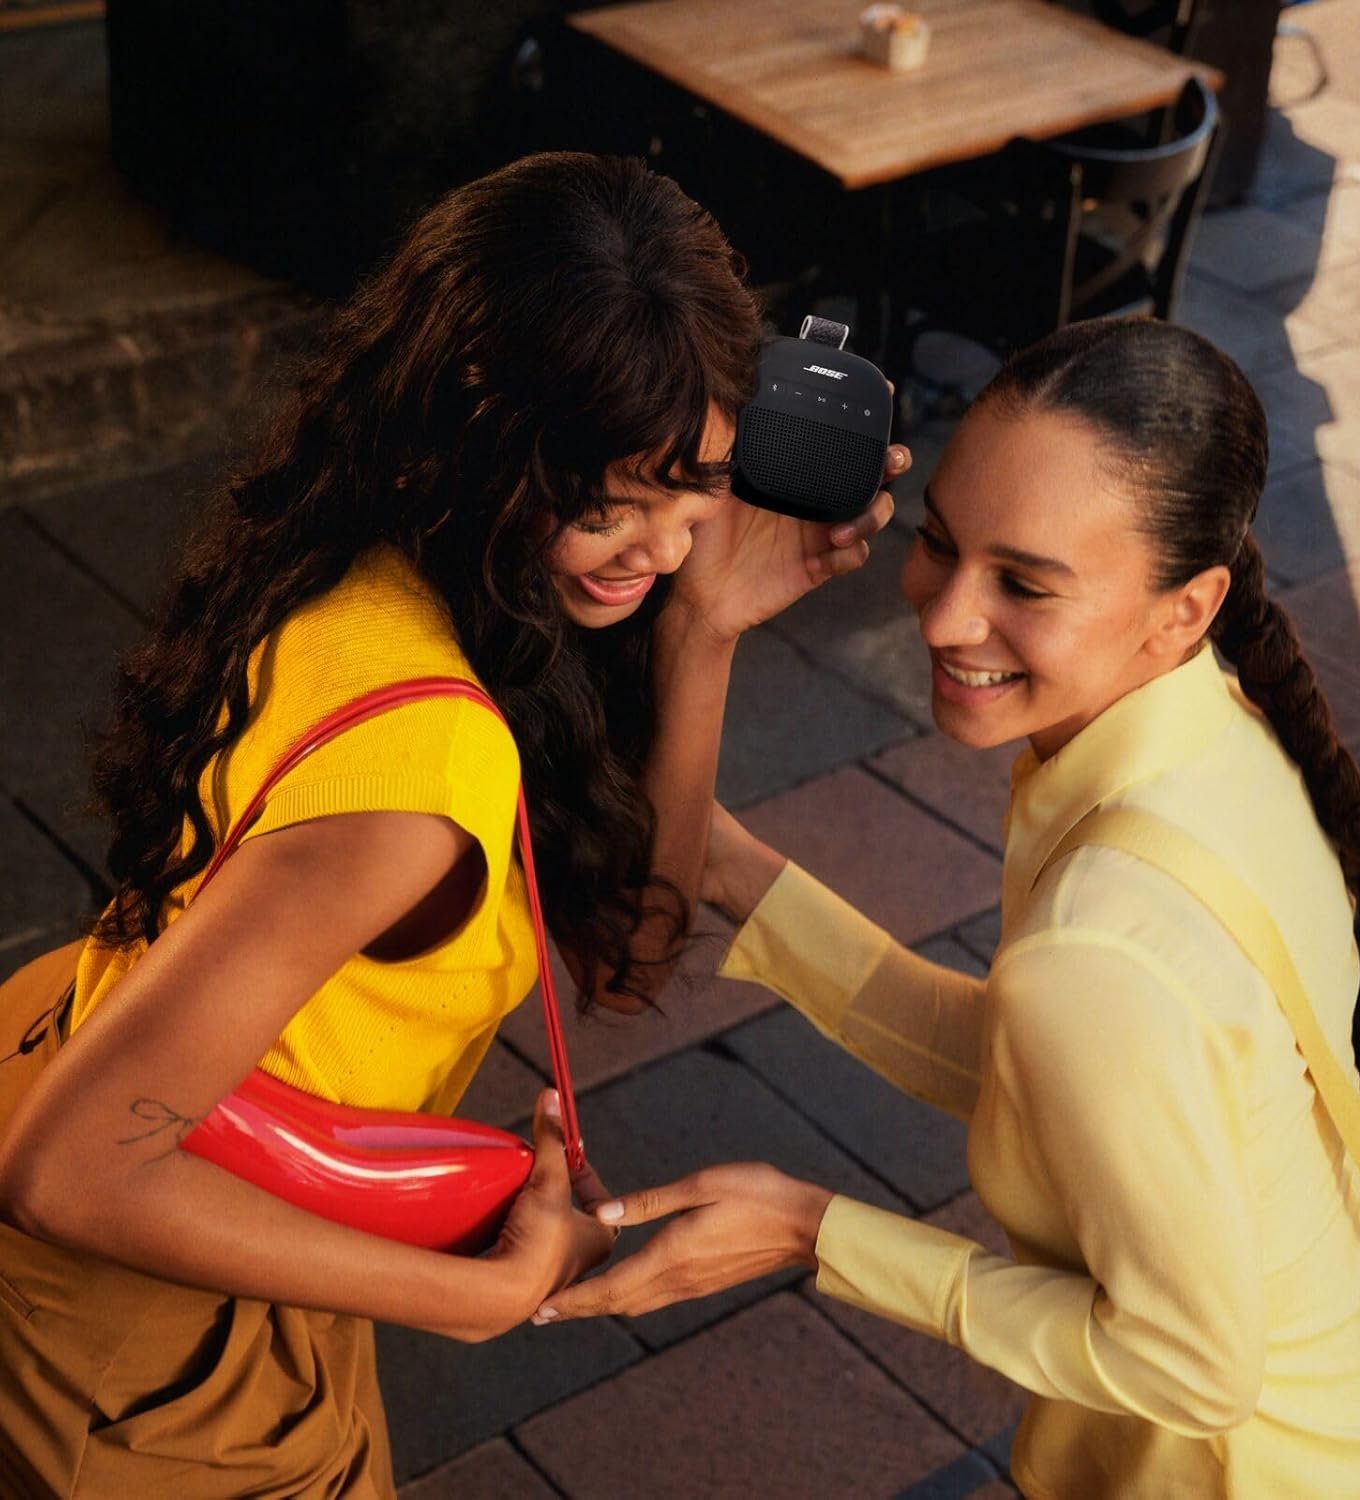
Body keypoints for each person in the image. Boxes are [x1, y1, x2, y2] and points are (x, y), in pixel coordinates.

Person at [0, 151, 900, 1497]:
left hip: (163, 1102)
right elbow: (69, 1173)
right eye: (611, 501)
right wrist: (481, 1300)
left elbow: (626, 948)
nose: (663, 547)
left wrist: (702, 627)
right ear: (484, 444)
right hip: (156, 1304)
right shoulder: (420, 788)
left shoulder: (371, 550)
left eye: (700, 484)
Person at [535, 318, 1360, 1498]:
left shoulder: (1103, 941)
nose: (943, 617)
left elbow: (1193, 1368)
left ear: (1185, 606)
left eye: (1024, 585)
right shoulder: (1221, 735)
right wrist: (731, 866)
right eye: (941, 542)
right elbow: (1048, 1058)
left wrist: (811, 1230)